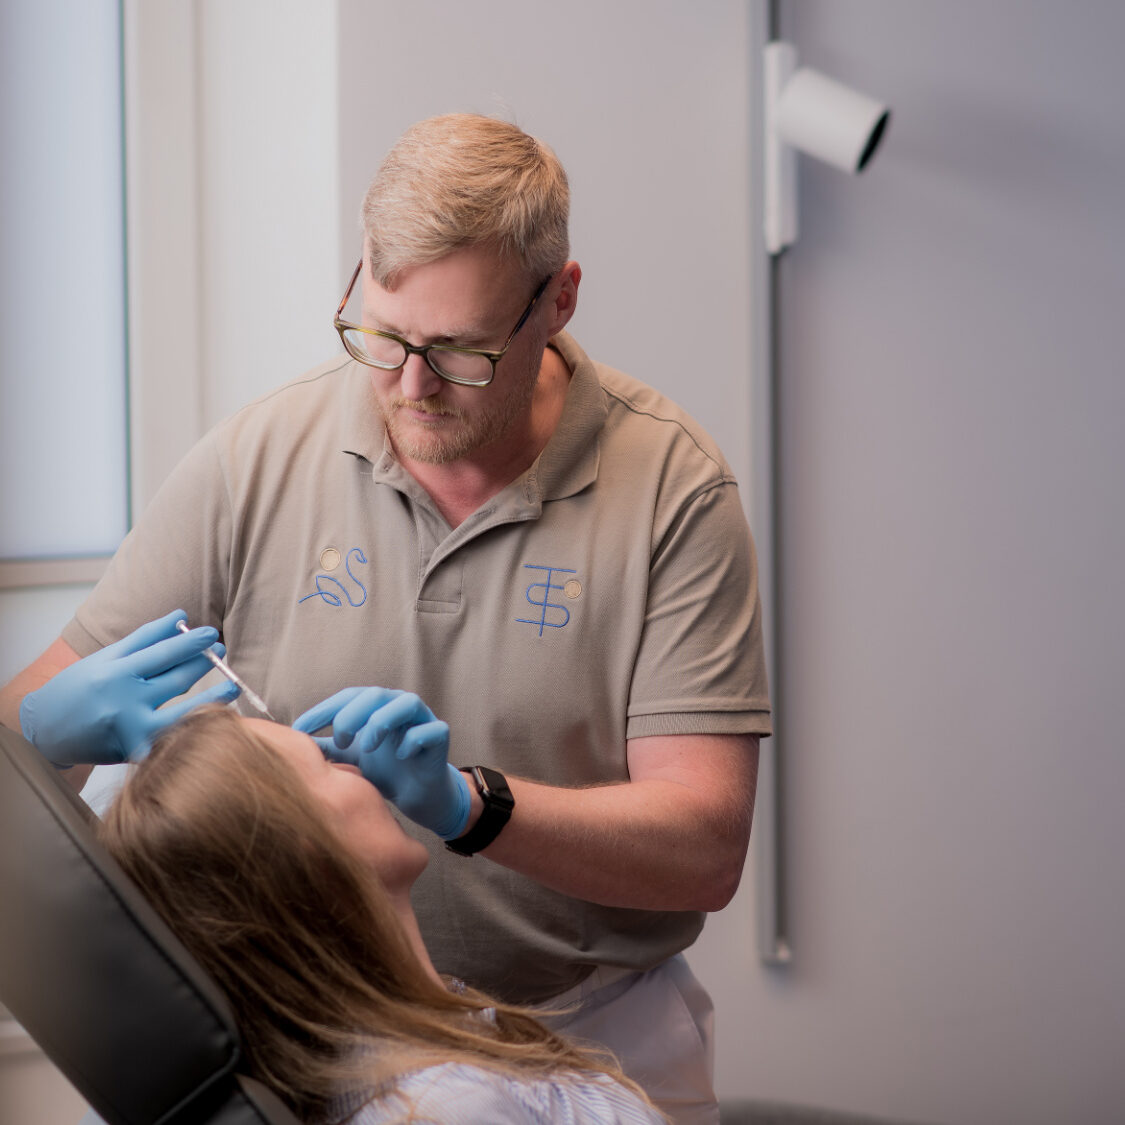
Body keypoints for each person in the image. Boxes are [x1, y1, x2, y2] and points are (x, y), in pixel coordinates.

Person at [0, 113, 771, 1122]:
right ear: (358, 276)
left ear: (558, 301)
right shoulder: (257, 462)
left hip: (592, 1030)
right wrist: (40, 737)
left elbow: (705, 850)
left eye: (458, 353)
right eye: (384, 336)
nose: (410, 387)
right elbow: (14, 767)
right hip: (334, 1045)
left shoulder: (673, 488)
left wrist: (471, 807)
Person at [91, 704, 664, 1125]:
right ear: (302, 852)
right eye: (322, 763)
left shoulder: (421, 1028)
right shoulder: (440, 1106)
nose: (357, 770)